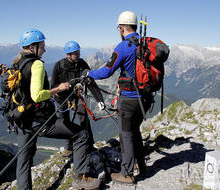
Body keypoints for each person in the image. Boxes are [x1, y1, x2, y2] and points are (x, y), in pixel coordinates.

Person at [14, 29, 101, 190]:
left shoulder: (17, 63)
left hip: (21, 120)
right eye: (42, 46)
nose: (45, 50)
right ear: (33, 47)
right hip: (40, 120)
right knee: (82, 134)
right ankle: (79, 179)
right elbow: (37, 96)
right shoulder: (37, 64)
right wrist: (58, 89)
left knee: (24, 159)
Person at [85, 11, 154, 184]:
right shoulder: (146, 43)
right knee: (135, 131)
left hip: (130, 99)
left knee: (125, 135)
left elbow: (107, 71)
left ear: (122, 28)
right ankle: (141, 166)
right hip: (146, 98)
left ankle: (127, 174)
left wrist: (89, 73)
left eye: (119, 28)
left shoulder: (123, 47)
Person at [51, 41, 105, 157]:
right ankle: (68, 148)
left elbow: (91, 82)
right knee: (65, 122)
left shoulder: (82, 64)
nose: (78, 55)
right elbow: (53, 86)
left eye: (79, 52)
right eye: (75, 53)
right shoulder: (59, 66)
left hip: (76, 96)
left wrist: (99, 99)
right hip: (62, 99)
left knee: (83, 117)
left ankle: (89, 145)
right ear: (68, 55)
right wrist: (67, 85)